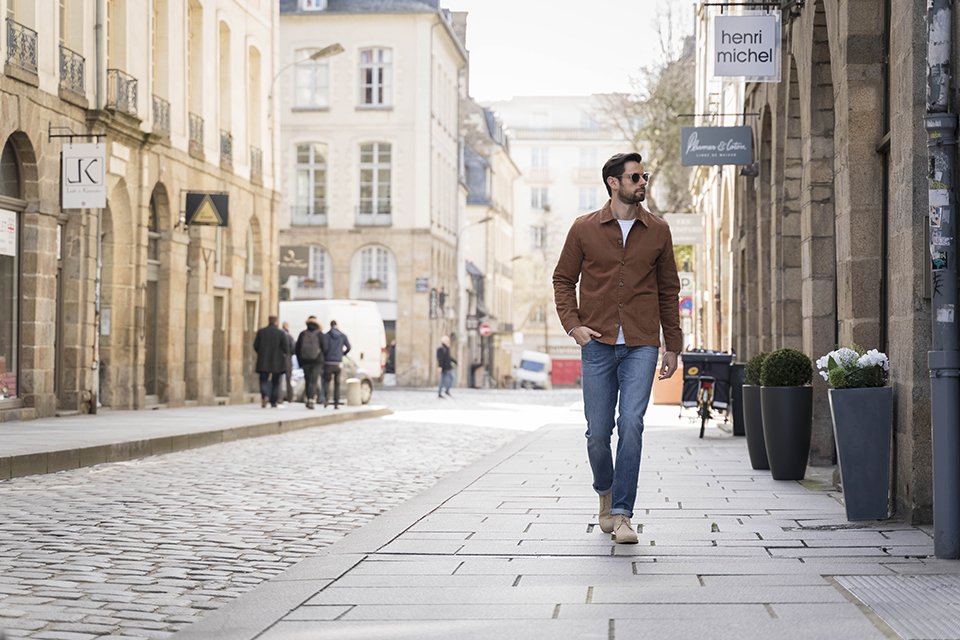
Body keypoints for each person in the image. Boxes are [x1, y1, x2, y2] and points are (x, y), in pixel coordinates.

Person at [553, 152, 682, 545]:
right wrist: (573, 326)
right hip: (597, 344)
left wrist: (672, 346)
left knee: (632, 424)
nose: (643, 182)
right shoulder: (584, 229)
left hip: (641, 343)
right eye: (636, 177)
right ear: (614, 183)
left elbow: (668, 291)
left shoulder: (658, 230)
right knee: (597, 432)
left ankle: (623, 513)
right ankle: (605, 493)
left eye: (644, 176)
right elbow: (562, 279)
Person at [253, 315, 290, 408]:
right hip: (277, 362)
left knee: (263, 380)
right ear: (276, 322)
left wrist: (261, 353)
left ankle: (264, 395)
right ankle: (273, 401)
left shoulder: (261, 332)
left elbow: (255, 345)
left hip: (263, 360)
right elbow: (286, 348)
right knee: (275, 382)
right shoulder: (281, 333)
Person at [295, 316, 327, 409]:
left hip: (305, 361)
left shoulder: (302, 334)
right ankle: (311, 400)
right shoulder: (320, 334)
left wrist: (300, 361)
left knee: (307, 380)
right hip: (317, 361)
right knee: (314, 381)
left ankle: (308, 398)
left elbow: (297, 349)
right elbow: (325, 348)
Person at [323, 320, 351, 409]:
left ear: (330, 325)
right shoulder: (342, 335)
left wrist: (326, 355)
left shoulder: (326, 335)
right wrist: (342, 353)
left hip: (328, 362)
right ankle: (336, 403)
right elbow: (349, 347)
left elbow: (324, 348)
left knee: (327, 382)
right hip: (338, 363)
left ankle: (326, 400)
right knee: (337, 383)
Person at [281, 321, 296, 403]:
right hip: (288, 359)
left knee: (279, 379)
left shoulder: (279, 335)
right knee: (288, 379)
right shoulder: (290, 336)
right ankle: (290, 397)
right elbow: (293, 349)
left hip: (279, 360)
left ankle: (278, 397)